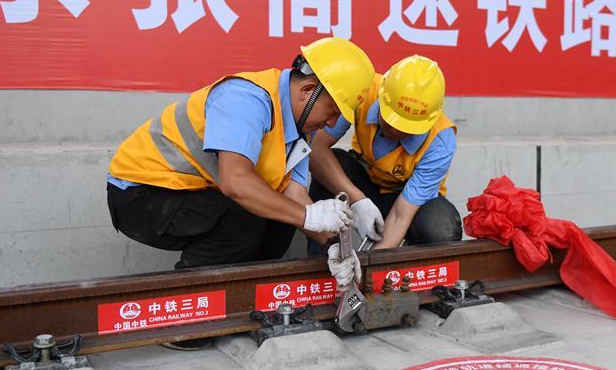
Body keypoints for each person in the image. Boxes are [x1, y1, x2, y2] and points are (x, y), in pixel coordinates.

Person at [106, 37, 374, 297]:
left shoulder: (300, 130)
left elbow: (294, 195)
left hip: (190, 193)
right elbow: (235, 182)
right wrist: (307, 216)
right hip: (141, 192)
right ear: (307, 91)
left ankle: (241, 299)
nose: (331, 124)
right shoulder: (246, 99)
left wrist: (334, 245)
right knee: (242, 218)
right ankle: (189, 309)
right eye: (333, 111)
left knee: (281, 218)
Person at [309, 54, 463, 250]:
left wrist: (370, 267)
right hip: (366, 184)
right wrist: (358, 199)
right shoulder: (363, 90)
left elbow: (401, 215)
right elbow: (315, 148)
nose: (395, 131)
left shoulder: (440, 141)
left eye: (407, 128)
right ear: (382, 96)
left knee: (441, 227)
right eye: (391, 120)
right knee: (336, 164)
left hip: (409, 203)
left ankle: (405, 274)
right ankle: (326, 257)